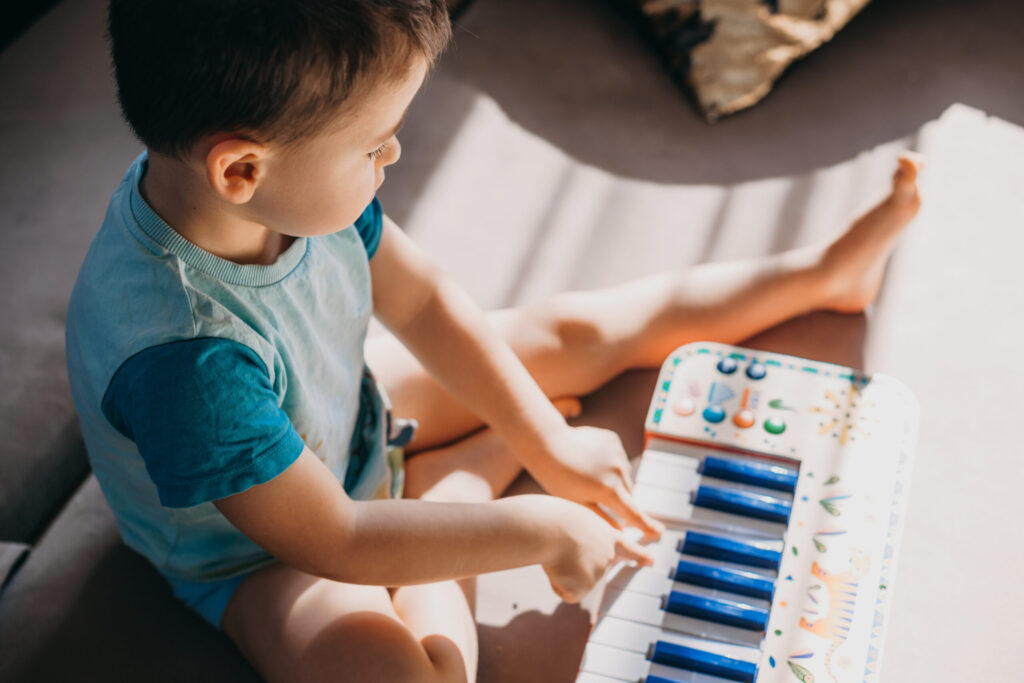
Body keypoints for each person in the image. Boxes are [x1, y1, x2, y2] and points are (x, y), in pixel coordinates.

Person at [66, 1, 921, 681]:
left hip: (343, 413)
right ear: (241, 168)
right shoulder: (188, 363)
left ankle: (821, 273)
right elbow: (339, 540)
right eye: (373, 144)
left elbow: (429, 303)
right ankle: (448, 484)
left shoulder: (277, 189)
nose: (392, 153)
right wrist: (535, 527)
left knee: (574, 329)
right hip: (256, 551)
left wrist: (543, 439)